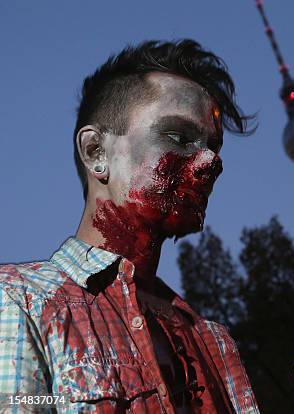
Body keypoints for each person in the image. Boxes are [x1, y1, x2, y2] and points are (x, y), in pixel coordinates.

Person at [0, 40, 259, 413]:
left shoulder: (214, 341)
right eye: (178, 137)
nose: (210, 162)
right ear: (96, 152)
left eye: (214, 146)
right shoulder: (18, 303)